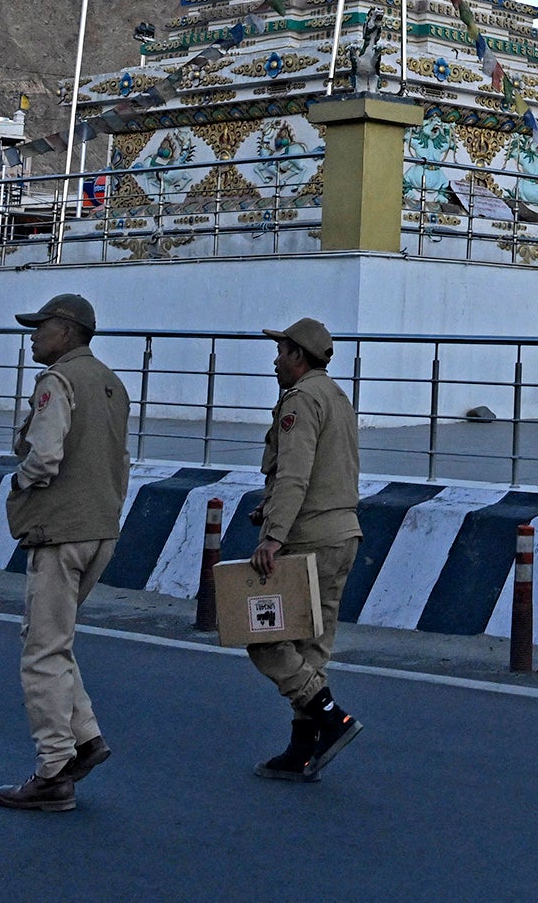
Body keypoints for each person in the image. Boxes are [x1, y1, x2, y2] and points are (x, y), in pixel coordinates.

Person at [0, 293, 132, 814]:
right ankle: (86, 738)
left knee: (42, 652)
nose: (33, 336)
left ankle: (53, 770)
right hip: (101, 528)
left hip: (60, 530)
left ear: (67, 331)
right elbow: (121, 461)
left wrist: (19, 481)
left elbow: (45, 455)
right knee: (55, 639)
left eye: (41, 327)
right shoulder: (112, 383)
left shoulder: (58, 381)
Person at [247, 317, 364, 781]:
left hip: (308, 538)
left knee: (262, 636)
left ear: (298, 355)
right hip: (343, 533)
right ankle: (301, 751)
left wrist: (273, 534)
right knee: (312, 645)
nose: (275, 361)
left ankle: (332, 717)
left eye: (281, 352)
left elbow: (295, 473)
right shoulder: (336, 396)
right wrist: (269, 507)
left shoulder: (300, 400)